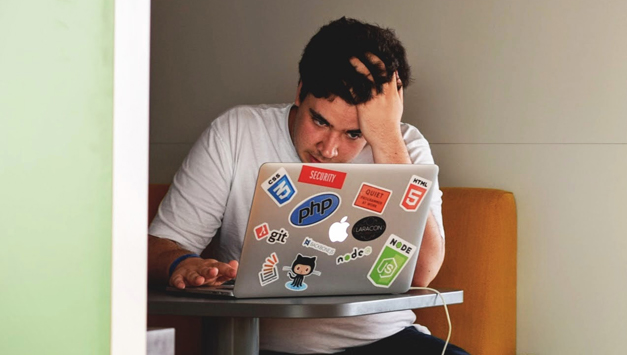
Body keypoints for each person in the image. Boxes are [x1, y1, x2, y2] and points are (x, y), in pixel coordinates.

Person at [146, 17, 469, 355]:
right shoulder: (236, 133)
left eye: (354, 133)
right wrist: (180, 263)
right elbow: (159, 247)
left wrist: (387, 140)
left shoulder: (404, 146)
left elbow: (423, 274)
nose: (329, 150)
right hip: (257, 345)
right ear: (300, 91)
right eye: (319, 121)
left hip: (384, 341)